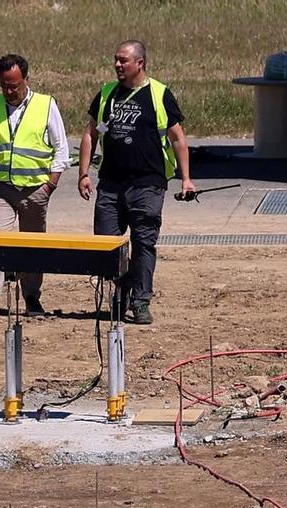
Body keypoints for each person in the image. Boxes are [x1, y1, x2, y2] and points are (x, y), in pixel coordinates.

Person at [75, 40, 196, 326]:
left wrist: (187, 179)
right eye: (116, 60)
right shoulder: (107, 94)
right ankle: (123, 286)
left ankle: (140, 300)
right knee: (106, 246)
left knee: (144, 243)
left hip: (148, 183)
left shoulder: (159, 94)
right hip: (111, 184)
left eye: (123, 61)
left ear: (139, 63)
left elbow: (178, 138)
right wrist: (83, 173)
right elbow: (91, 134)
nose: (117, 65)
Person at [0, 54, 67, 318]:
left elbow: (61, 150)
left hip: (36, 187)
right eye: (4, 86)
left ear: (25, 79)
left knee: (32, 245)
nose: (9, 91)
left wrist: (50, 185)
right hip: (1, 186)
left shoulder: (46, 105)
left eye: (14, 85)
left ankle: (31, 297)